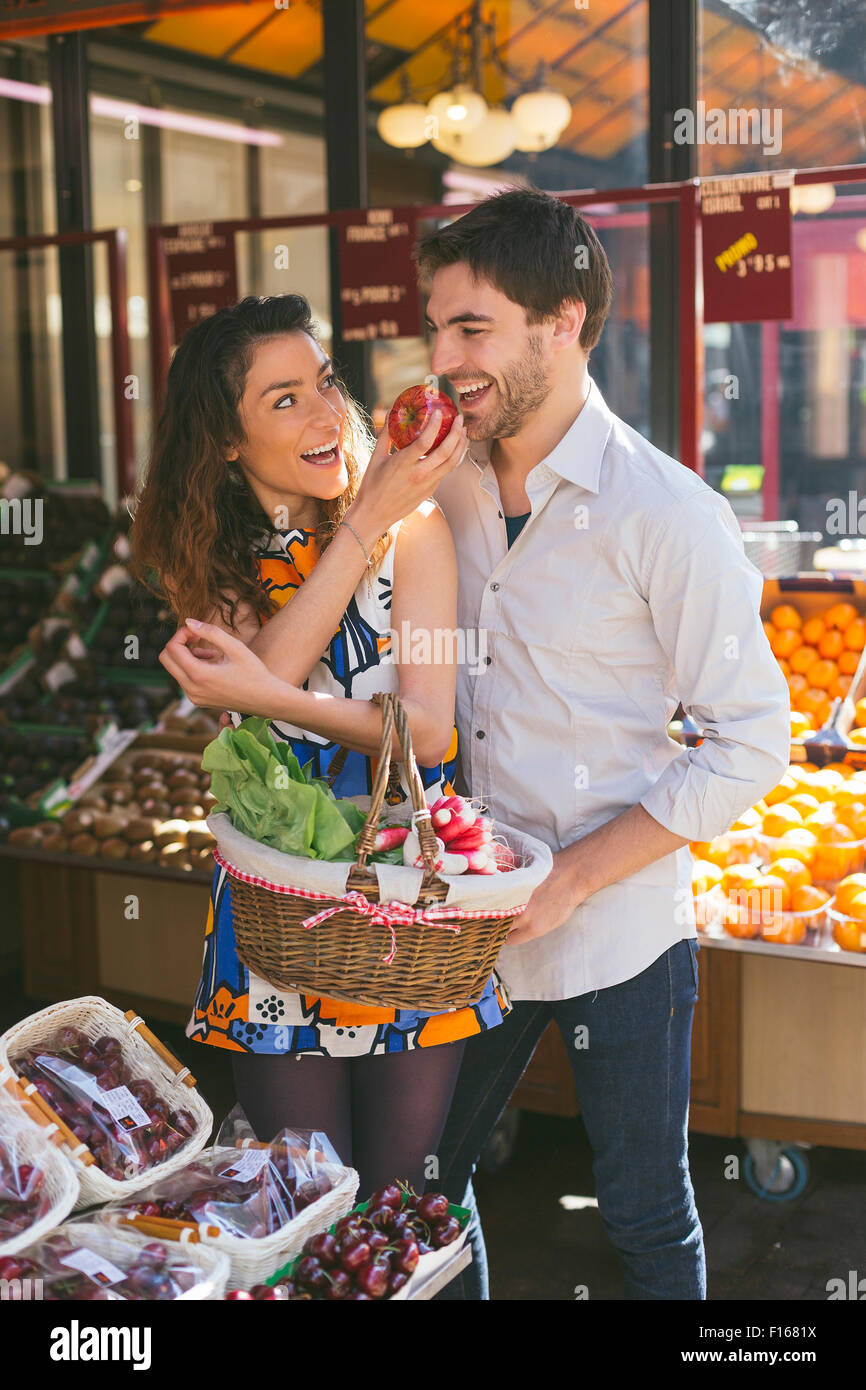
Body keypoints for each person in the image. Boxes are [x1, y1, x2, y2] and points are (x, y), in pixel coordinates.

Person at [408, 186, 791, 1300]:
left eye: (470, 326)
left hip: (618, 926)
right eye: (435, 326)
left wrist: (571, 877)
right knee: (424, 1187)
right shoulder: (440, 493)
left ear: (562, 319)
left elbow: (750, 741)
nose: (442, 355)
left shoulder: (664, 513)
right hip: (462, 920)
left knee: (641, 1205)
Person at [133, 293, 511, 1196]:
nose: (326, 412)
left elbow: (425, 734)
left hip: (405, 889)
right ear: (227, 440)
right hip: (273, 901)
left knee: (402, 1203)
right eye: (283, 398)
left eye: (326, 382)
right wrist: (357, 525)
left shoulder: (417, 536)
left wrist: (375, 518)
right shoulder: (206, 555)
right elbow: (258, 700)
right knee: (308, 1201)